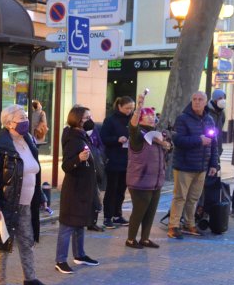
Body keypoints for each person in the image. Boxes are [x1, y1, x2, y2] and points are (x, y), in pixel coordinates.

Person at [0, 104, 51, 285]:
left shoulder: (28, 140)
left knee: (27, 241)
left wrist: (42, 198)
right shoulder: (1, 145)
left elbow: (33, 173)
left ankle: (30, 279)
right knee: (3, 244)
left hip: (27, 203)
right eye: (22, 117)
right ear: (9, 122)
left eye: (25, 116)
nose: (26, 120)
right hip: (7, 204)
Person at [55, 105, 101, 273]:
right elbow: (66, 165)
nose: (90, 120)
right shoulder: (73, 139)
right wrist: (79, 159)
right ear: (77, 119)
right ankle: (60, 260)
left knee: (80, 222)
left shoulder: (82, 136)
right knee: (67, 225)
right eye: (86, 117)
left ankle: (79, 255)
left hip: (84, 187)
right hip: (74, 188)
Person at [167, 91, 219, 239]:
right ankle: (173, 226)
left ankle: (189, 224)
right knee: (180, 197)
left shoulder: (209, 119)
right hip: (184, 165)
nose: (197, 102)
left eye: (200, 99)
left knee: (193, 198)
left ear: (205, 102)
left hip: (201, 166)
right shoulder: (182, 118)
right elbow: (178, 141)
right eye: (194, 99)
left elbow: (214, 144)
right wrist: (199, 140)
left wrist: (214, 164)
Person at [125, 103, 171, 248]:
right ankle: (131, 239)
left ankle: (145, 238)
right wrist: (138, 108)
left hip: (155, 181)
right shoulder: (138, 135)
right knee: (139, 212)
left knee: (150, 212)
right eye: (147, 116)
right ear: (140, 119)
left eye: (152, 115)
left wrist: (166, 145)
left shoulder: (158, 135)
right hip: (140, 181)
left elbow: (166, 152)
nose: (151, 118)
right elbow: (132, 127)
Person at [100, 96, 134, 229]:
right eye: (127, 108)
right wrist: (117, 139)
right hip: (114, 158)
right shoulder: (110, 120)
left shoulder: (132, 120)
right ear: (119, 106)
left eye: (131, 108)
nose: (129, 111)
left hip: (128, 160)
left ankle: (117, 214)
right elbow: (104, 138)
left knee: (121, 189)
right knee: (112, 189)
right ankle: (108, 217)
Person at [207, 89, 227, 155]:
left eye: (224, 98)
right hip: (207, 148)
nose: (223, 100)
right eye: (220, 98)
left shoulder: (222, 113)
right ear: (215, 99)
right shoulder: (206, 111)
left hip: (218, 148)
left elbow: (221, 126)